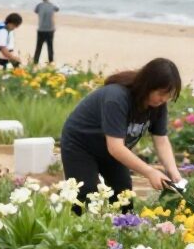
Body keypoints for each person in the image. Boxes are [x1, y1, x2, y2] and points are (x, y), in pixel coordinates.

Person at [60, 57, 186, 204]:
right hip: (81, 144)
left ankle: (120, 220)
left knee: (123, 194)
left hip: (112, 147)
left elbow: (161, 139)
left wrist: (174, 173)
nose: (164, 99)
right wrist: (150, 172)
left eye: (168, 95)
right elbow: (115, 148)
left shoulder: (158, 105)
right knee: (86, 196)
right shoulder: (117, 98)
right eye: (161, 93)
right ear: (148, 85)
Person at [33, 0, 59, 64]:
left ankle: (35, 62)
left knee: (38, 47)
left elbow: (35, 11)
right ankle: (51, 62)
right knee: (50, 47)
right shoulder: (52, 5)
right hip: (50, 29)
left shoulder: (39, 5)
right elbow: (57, 9)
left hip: (41, 29)